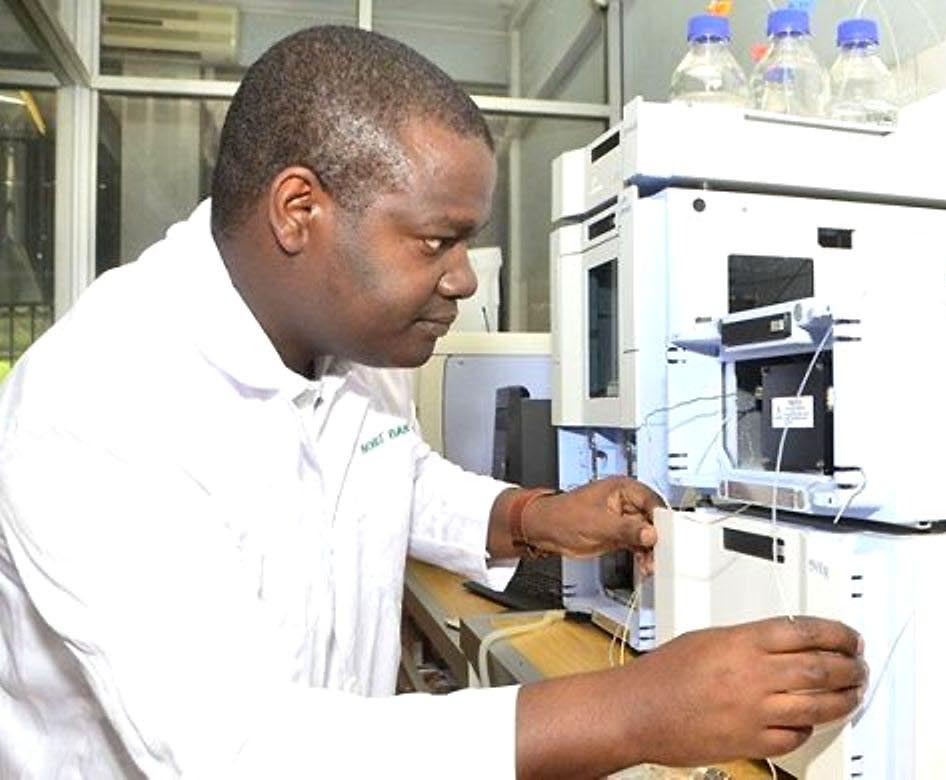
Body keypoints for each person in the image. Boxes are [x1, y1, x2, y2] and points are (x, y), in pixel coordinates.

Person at [0, 26, 865, 779]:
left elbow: (391, 477)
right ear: (300, 209)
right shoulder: (99, 399)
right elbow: (236, 753)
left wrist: (535, 516)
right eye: (435, 240)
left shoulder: (348, 343)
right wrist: (637, 709)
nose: (461, 277)